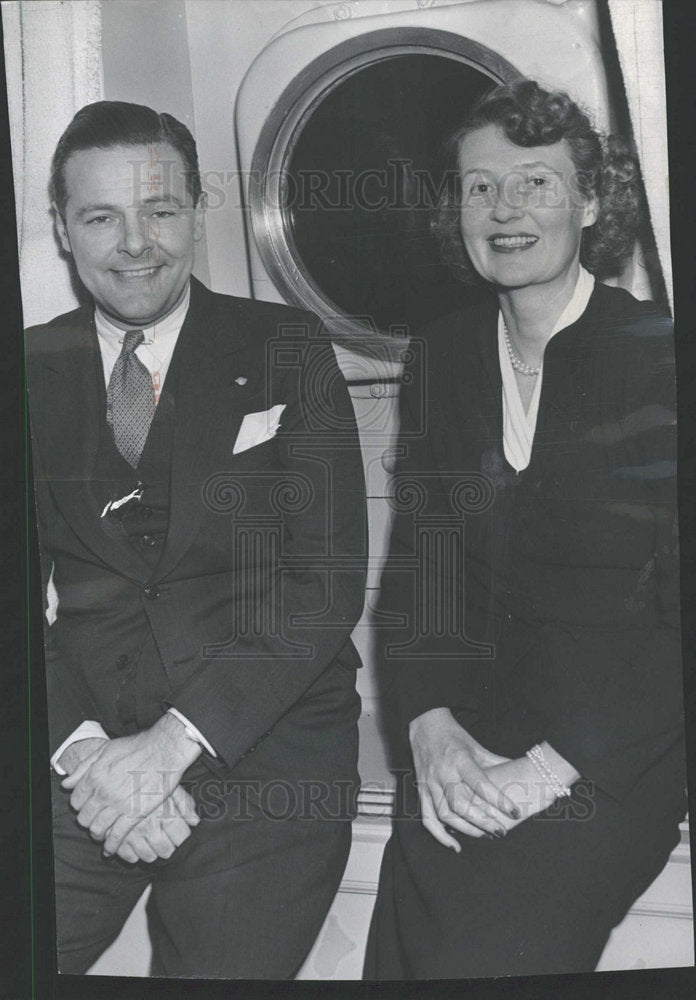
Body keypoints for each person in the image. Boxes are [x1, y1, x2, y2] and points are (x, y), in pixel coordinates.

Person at [25, 101, 367, 979]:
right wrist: (85, 753)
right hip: (87, 744)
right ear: (63, 230)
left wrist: (174, 744)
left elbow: (324, 585)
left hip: (269, 742)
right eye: (102, 216)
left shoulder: (288, 346)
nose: (136, 244)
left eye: (160, 211)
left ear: (195, 213)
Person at [364, 80, 687, 978]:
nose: (504, 210)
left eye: (535, 183)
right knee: (402, 952)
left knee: (487, 950)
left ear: (591, 200)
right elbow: (422, 565)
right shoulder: (443, 354)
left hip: (618, 746)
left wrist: (548, 769)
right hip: (471, 726)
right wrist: (427, 726)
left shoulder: (660, 355)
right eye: (479, 187)